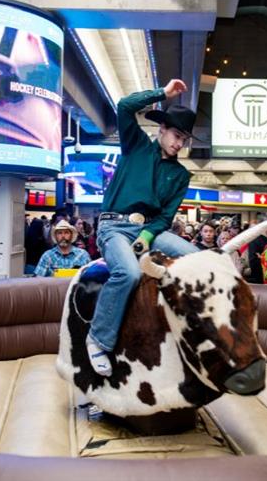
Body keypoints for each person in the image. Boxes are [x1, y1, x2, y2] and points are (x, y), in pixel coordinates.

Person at [85, 79, 199, 376]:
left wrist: (148, 236)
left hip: (151, 230)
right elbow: (124, 106)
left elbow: (165, 217)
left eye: (184, 140)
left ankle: (190, 332)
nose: (179, 143)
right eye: (176, 135)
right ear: (161, 129)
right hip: (113, 227)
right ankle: (98, 340)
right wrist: (163, 93)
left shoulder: (181, 176)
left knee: (198, 259)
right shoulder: (135, 145)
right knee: (129, 272)